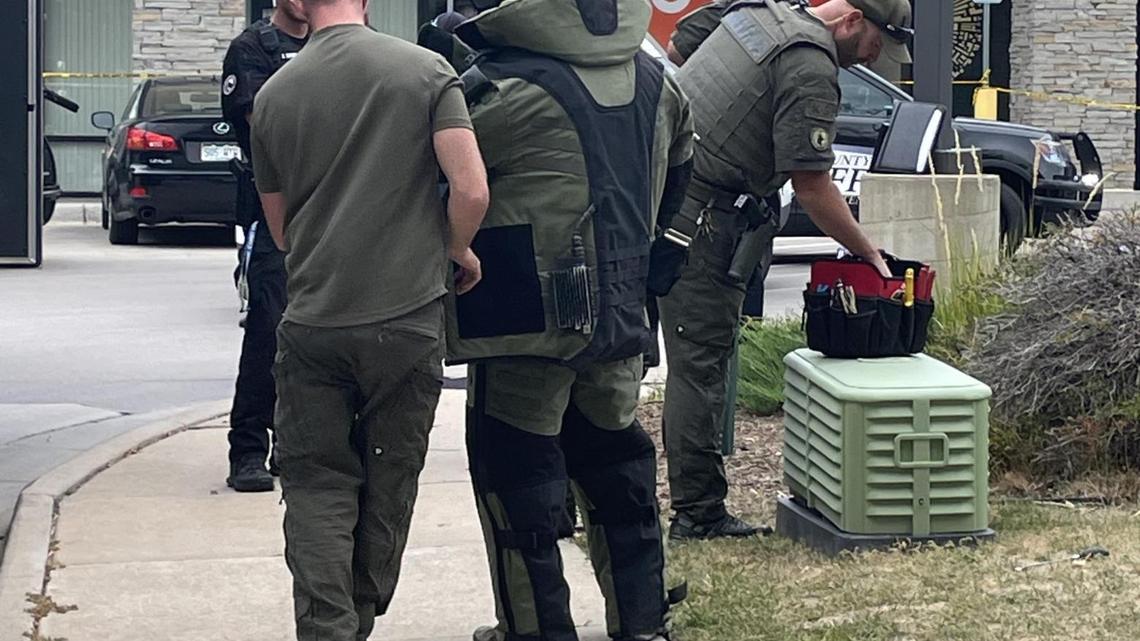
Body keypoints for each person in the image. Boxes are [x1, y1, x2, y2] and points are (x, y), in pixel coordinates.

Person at [445, 1, 695, 639]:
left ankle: (536, 629)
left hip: (523, 321)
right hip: (622, 314)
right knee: (618, 467)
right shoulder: (657, 80)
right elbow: (683, 171)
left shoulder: (501, 89)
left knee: (515, 480)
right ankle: (642, 623)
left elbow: (439, 176)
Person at [248, 0, 489, 637]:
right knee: (389, 477)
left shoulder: (273, 94)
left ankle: (327, 627)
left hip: (314, 321)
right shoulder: (426, 71)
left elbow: (281, 231)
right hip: (405, 318)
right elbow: (471, 189)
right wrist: (454, 248)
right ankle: (358, 615)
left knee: (316, 484)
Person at [658, 0, 910, 541]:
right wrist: (868, 252)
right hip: (703, 221)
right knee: (700, 364)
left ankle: (573, 499)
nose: (871, 60)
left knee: (622, 356)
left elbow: (678, 48)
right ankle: (698, 514)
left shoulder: (759, 11)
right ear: (851, 21)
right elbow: (812, 185)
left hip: (659, 194)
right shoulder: (810, 62)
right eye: (875, 47)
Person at [220, 0, 307, 492]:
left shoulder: (341, 39)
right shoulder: (254, 48)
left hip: (335, 207)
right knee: (268, 329)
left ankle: (296, 445)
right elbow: (262, 123)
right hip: (272, 207)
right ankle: (249, 448)